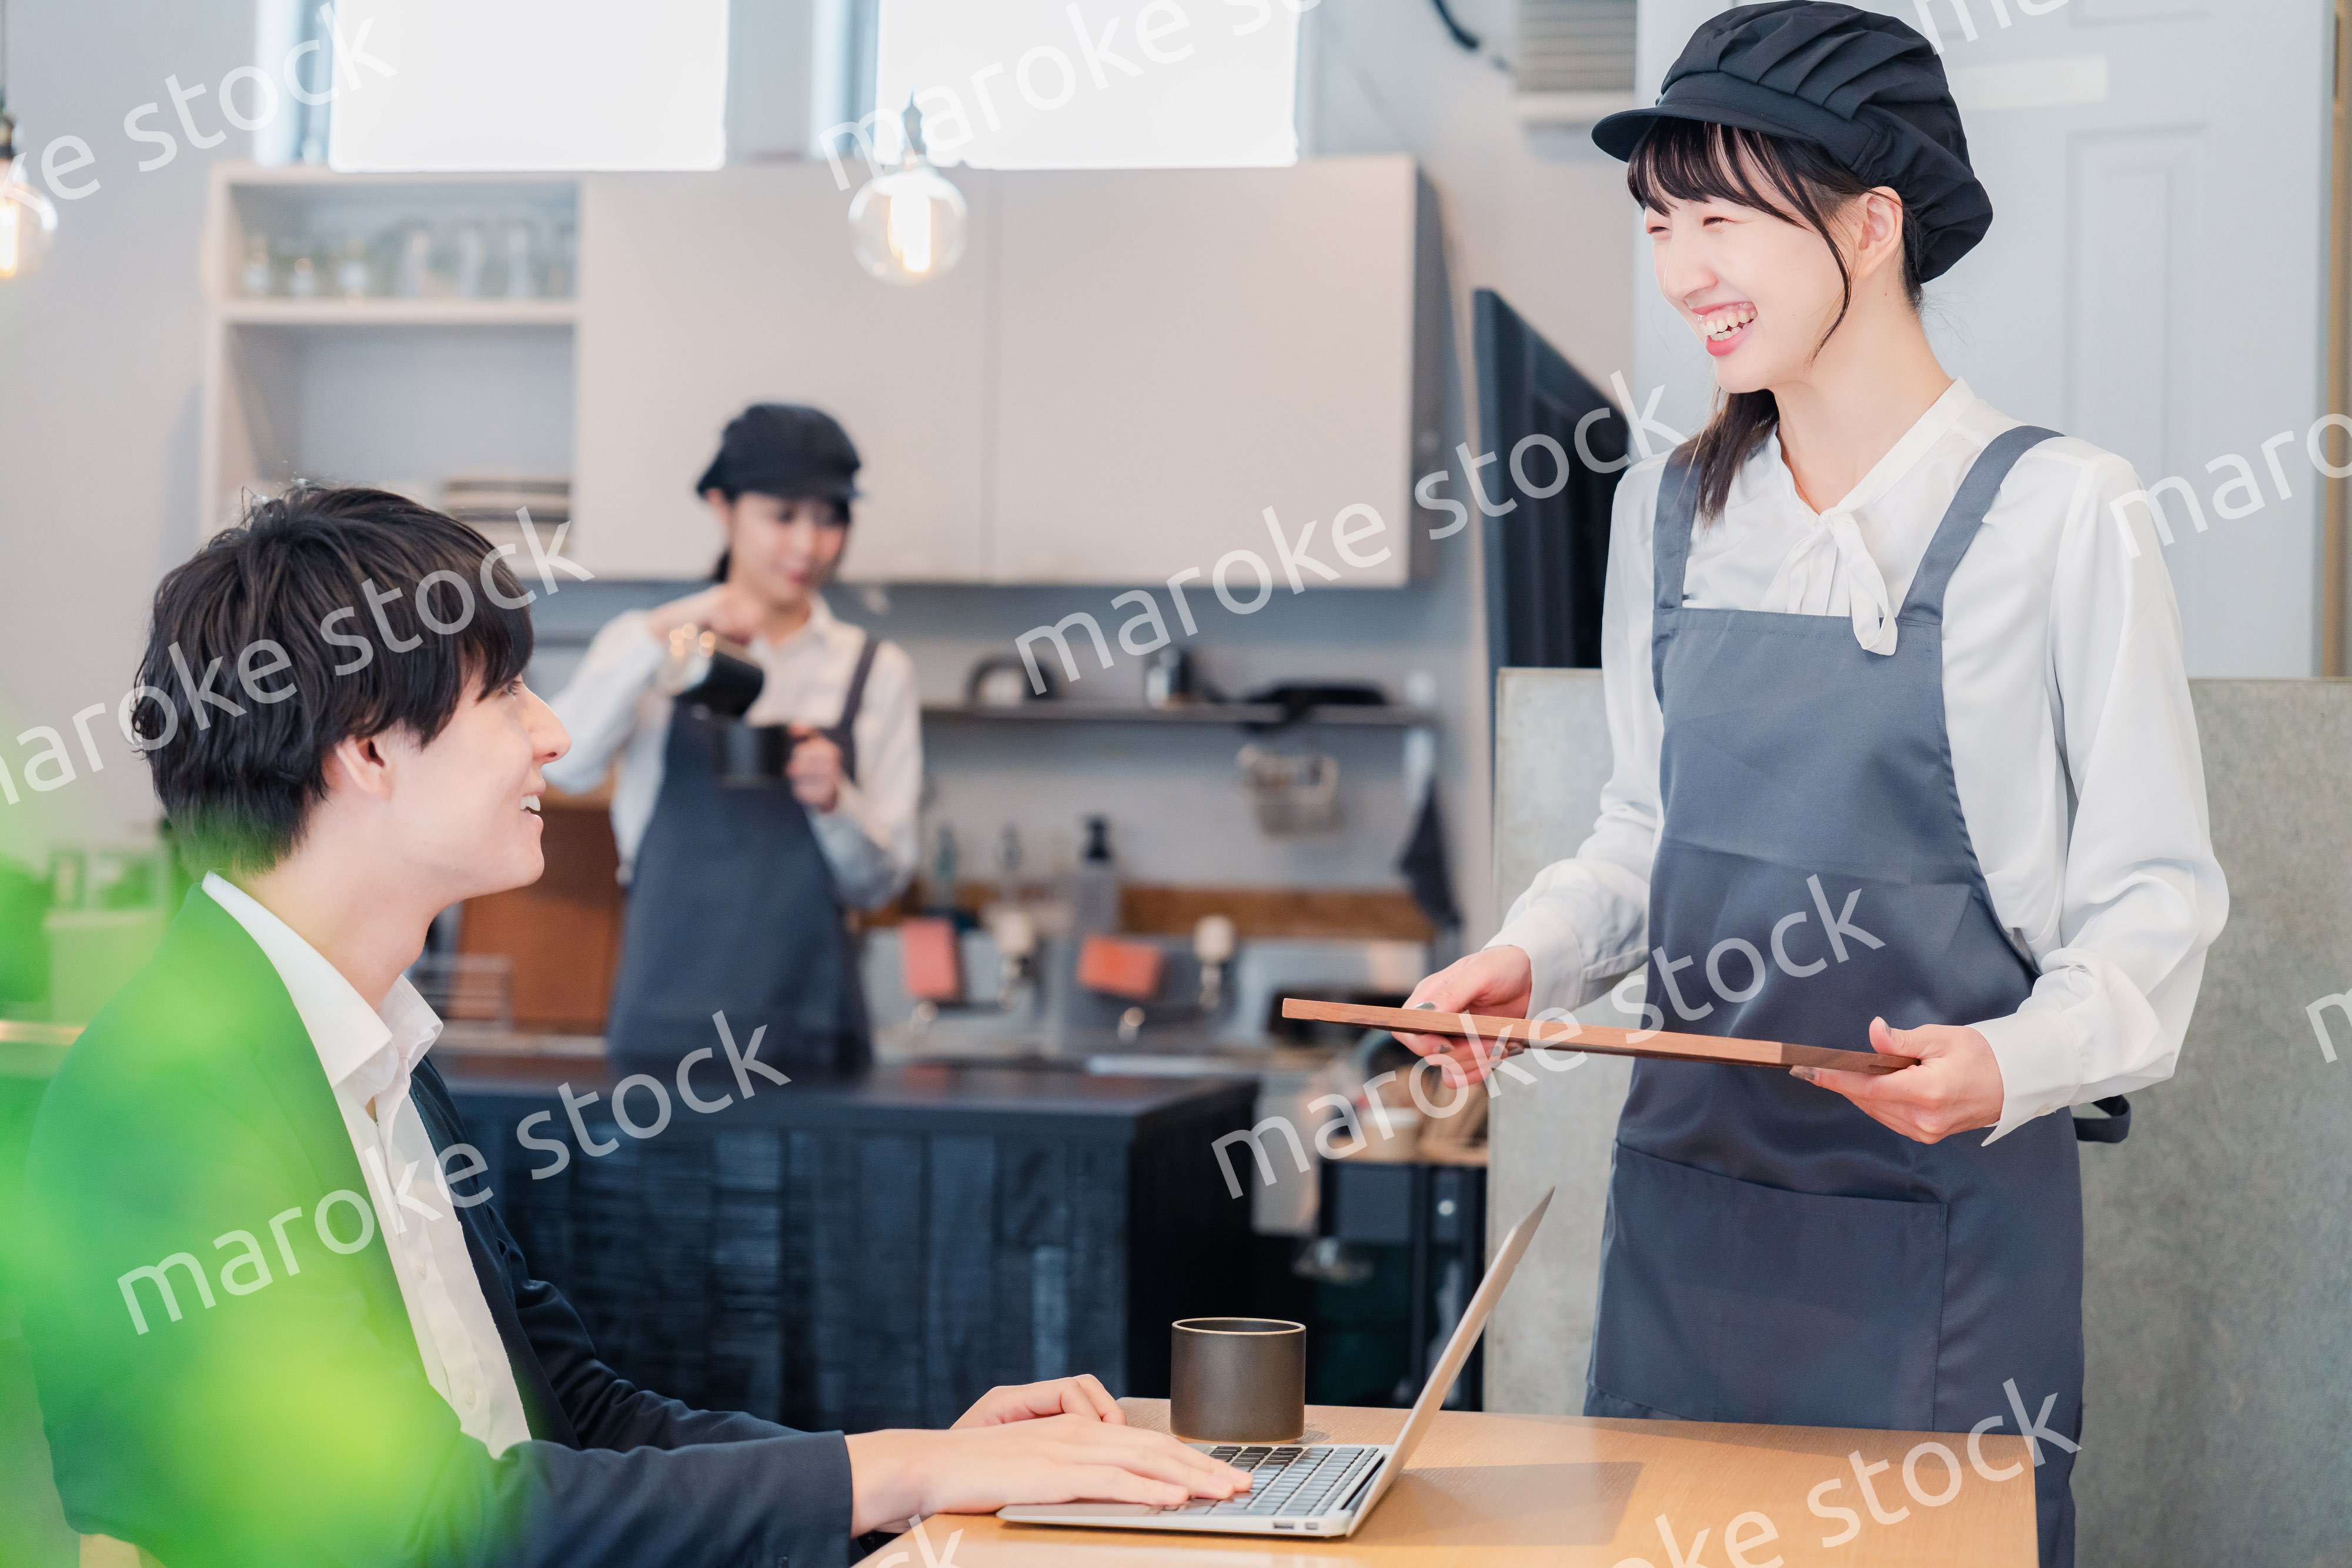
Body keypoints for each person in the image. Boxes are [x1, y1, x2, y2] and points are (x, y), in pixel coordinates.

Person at [18, 488, 1247, 1568]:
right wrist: (895, 1476)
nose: (552, 731)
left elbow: (573, 1416)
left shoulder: (376, 1047)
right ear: (364, 752)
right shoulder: (167, 1103)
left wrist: (902, 1462)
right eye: (502, 693)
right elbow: (414, 1528)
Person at [1398, 8, 2226, 1566]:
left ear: (1871, 220)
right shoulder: (1667, 507)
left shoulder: (2063, 515)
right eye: (1660, 224)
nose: (1682, 268)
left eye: (1722, 218)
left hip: (1946, 1237)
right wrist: (1529, 954)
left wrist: (2011, 1060)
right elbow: (1643, 837)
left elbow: (2155, 906)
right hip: (1691, 1224)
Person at [546, 403, 918, 1077]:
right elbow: (565, 768)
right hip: (661, 1032)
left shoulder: (875, 671)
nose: (808, 546)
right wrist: (666, 631)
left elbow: (878, 887)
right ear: (723, 507)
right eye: (783, 516)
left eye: (829, 519)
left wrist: (836, 802)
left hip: (812, 1034)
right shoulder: (652, 643)